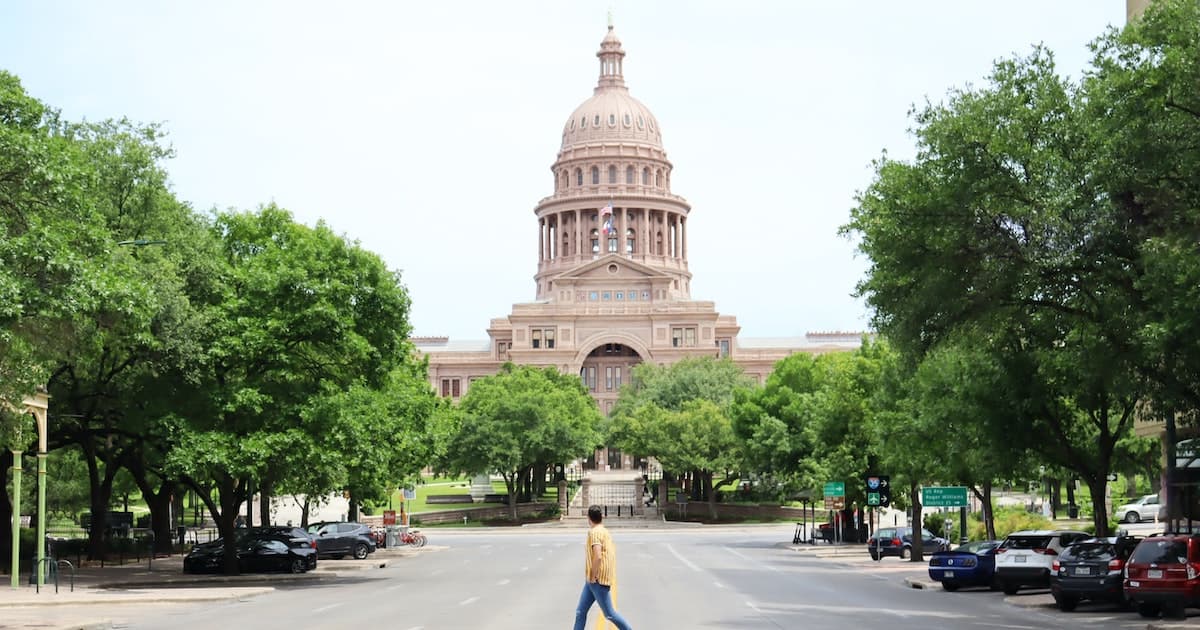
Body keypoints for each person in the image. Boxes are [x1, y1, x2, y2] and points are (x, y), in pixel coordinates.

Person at [573, 505, 633, 630]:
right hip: (592, 580)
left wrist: (593, 575)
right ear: (602, 517)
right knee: (580, 611)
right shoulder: (604, 531)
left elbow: (598, 555)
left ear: (589, 518)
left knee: (610, 614)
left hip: (597, 579)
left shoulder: (594, 533)